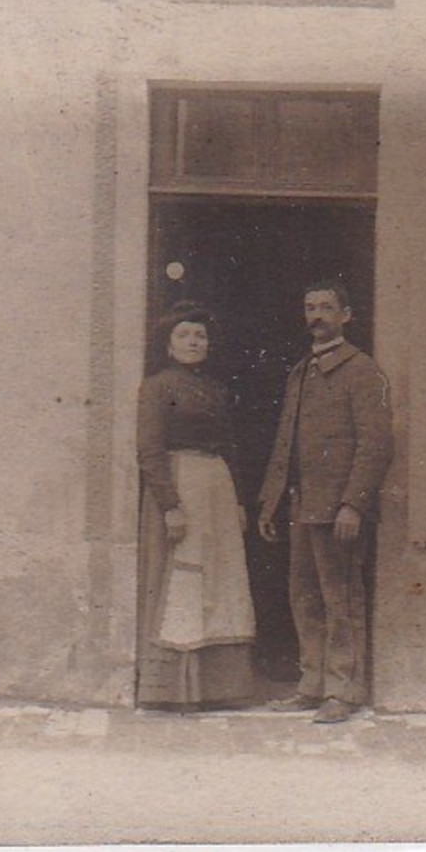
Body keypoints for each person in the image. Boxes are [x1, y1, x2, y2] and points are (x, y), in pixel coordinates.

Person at [257, 281, 394, 725]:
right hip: (301, 505)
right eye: (309, 307)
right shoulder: (301, 371)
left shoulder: (362, 371)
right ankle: (312, 684)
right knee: (305, 597)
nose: (316, 315)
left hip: (337, 510)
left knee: (341, 598)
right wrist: (271, 503)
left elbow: (375, 444)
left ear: (346, 315)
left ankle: (344, 689)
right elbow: (286, 442)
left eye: (326, 307)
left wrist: (353, 504)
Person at [136, 302, 257, 711]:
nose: (193, 342)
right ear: (169, 345)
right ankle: (175, 690)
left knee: (221, 577)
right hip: (181, 483)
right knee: (186, 576)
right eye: (184, 335)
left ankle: (220, 687)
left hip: (217, 488)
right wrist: (169, 504)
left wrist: (238, 499)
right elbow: (149, 450)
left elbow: (230, 447)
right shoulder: (157, 387)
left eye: (200, 335)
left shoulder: (217, 390)